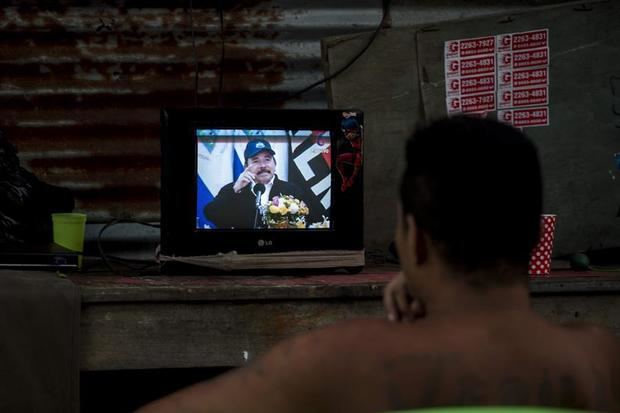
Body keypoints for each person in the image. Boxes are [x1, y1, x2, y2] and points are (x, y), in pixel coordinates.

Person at [138, 116, 620, 413]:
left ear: (414, 241)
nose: (264, 163)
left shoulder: (337, 360)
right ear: (537, 234)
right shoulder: (603, 361)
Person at [203, 138, 308, 229]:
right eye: (255, 161)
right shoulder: (232, 190)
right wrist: (235, 189)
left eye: (267, 159)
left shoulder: (292, 190)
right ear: (246, 167)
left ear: (275, 164)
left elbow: (306, 221)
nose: (262, 165)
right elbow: (211, 214)